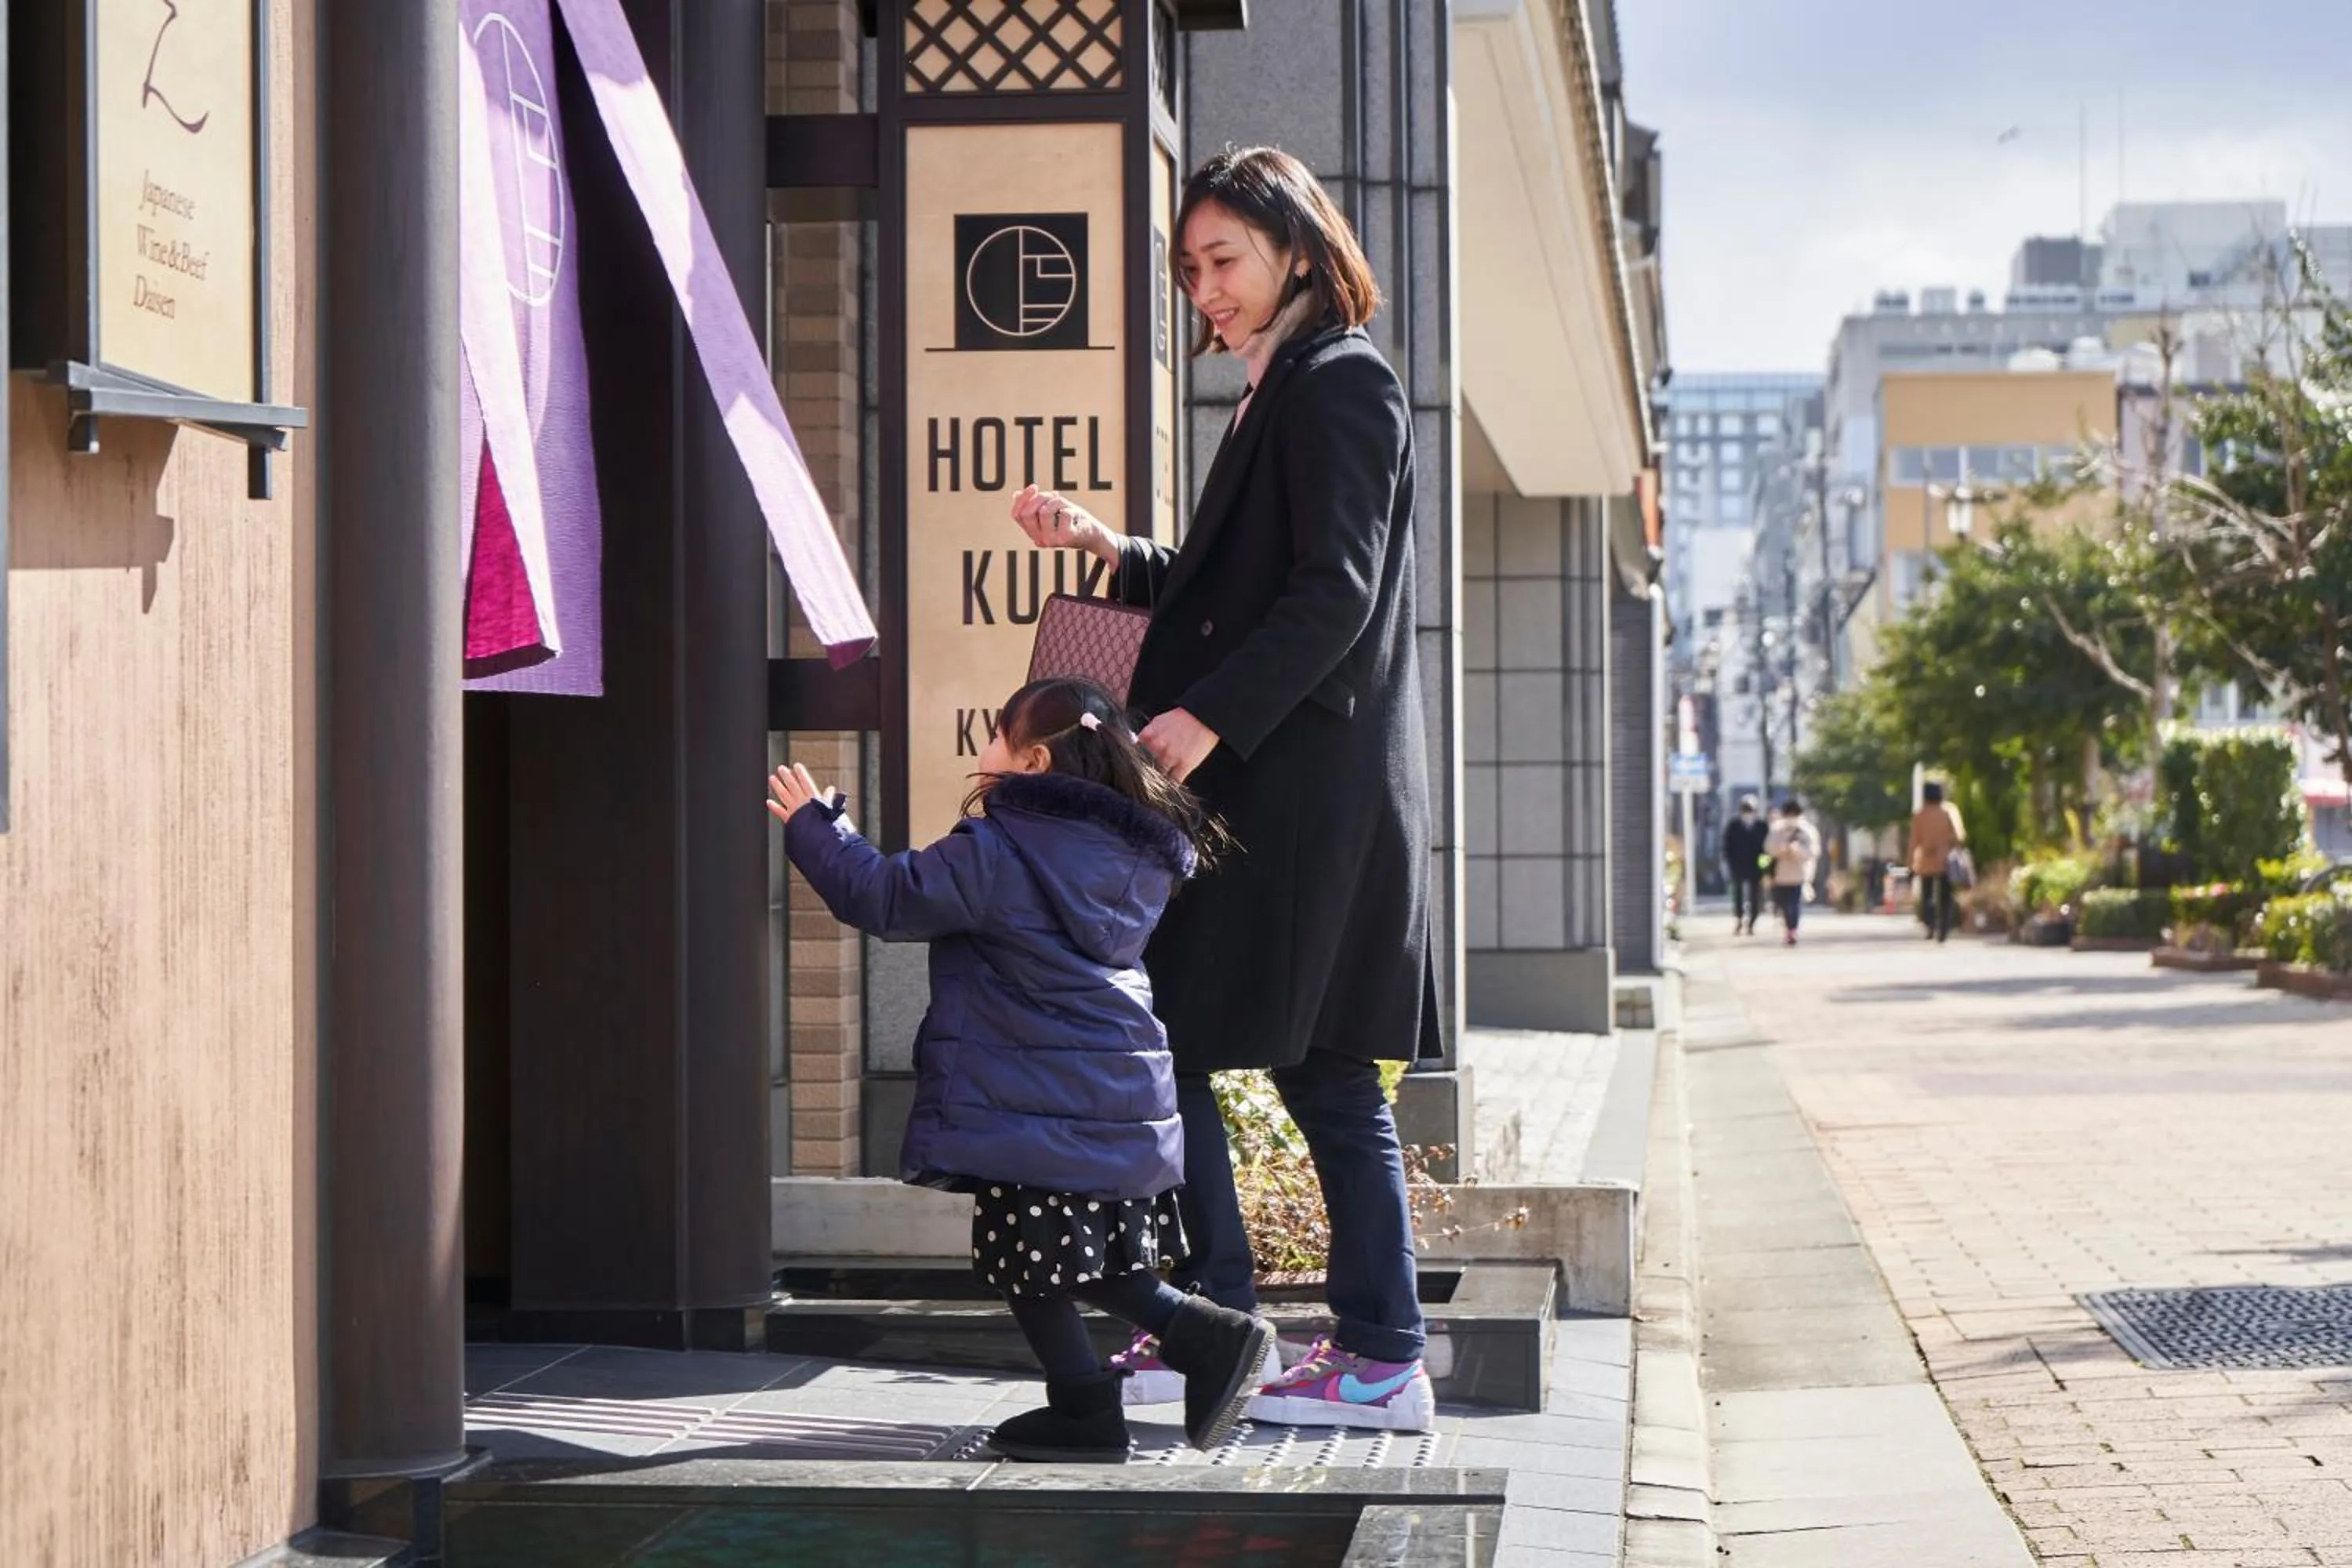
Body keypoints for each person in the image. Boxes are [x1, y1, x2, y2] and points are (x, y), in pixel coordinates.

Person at [1004, 146, 1436, 1432]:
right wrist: (1114, 552)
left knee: (1232, 1046)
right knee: (1295, 1064)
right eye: (1191, 269)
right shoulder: (1282, 391)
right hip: (1288, 788)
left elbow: (1334, 595)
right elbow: (1232, 585)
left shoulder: (1338, 382)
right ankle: (1324, 1341)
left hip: (1300, 792)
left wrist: (1201, 719)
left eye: (1225, 261)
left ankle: (1291, 1337)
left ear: (1298, 247)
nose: (1206, 289)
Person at [769, 677, 1273, 1465]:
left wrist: (816, 826)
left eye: (996, 736)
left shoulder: (1000, 849)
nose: (985, 750)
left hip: (1037, 1091)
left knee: (1028, 1255)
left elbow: (885, 896)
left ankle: (1166, 1355)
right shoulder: (1126, 851)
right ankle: (1130, 1378)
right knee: (1076, 1256)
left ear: (1034, 758)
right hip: (1105, 1087)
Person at [1909, 782, 1967, 943]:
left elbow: (1914, 841)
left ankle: (1930, 925)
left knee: (1927, 895)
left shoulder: (1919, 815)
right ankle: (1944, 929)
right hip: (1945, 859)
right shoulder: (1949, 811)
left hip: (1926, 860)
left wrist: (1910, 864)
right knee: (1946, 896)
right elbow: (1959, 835)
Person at [1765, 797, 1822, 946]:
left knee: (1794, 904)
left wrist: (1798, 851)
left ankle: (1792, 930)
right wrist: (1781, 850)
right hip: (1780, 874)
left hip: (1799, 874)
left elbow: (1813, 851)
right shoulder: (1777, 829)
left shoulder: (1807, 831)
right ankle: (1788, 928)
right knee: (1783, 904)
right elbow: (1769, 849)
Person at [1720, 795, 1769, 935]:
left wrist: (1764, 868)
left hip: (1756, 866)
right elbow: (1727, 846)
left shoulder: (1762, 826)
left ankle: (1753, 921)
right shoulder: (1734, 826)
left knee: (1756, 895)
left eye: (1751, 810)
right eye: (1745, 810)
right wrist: (1729, 862)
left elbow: (1766, 850)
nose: (1748, 813)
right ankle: (1739, 918)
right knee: (1738, 894)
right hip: (1738, 865)